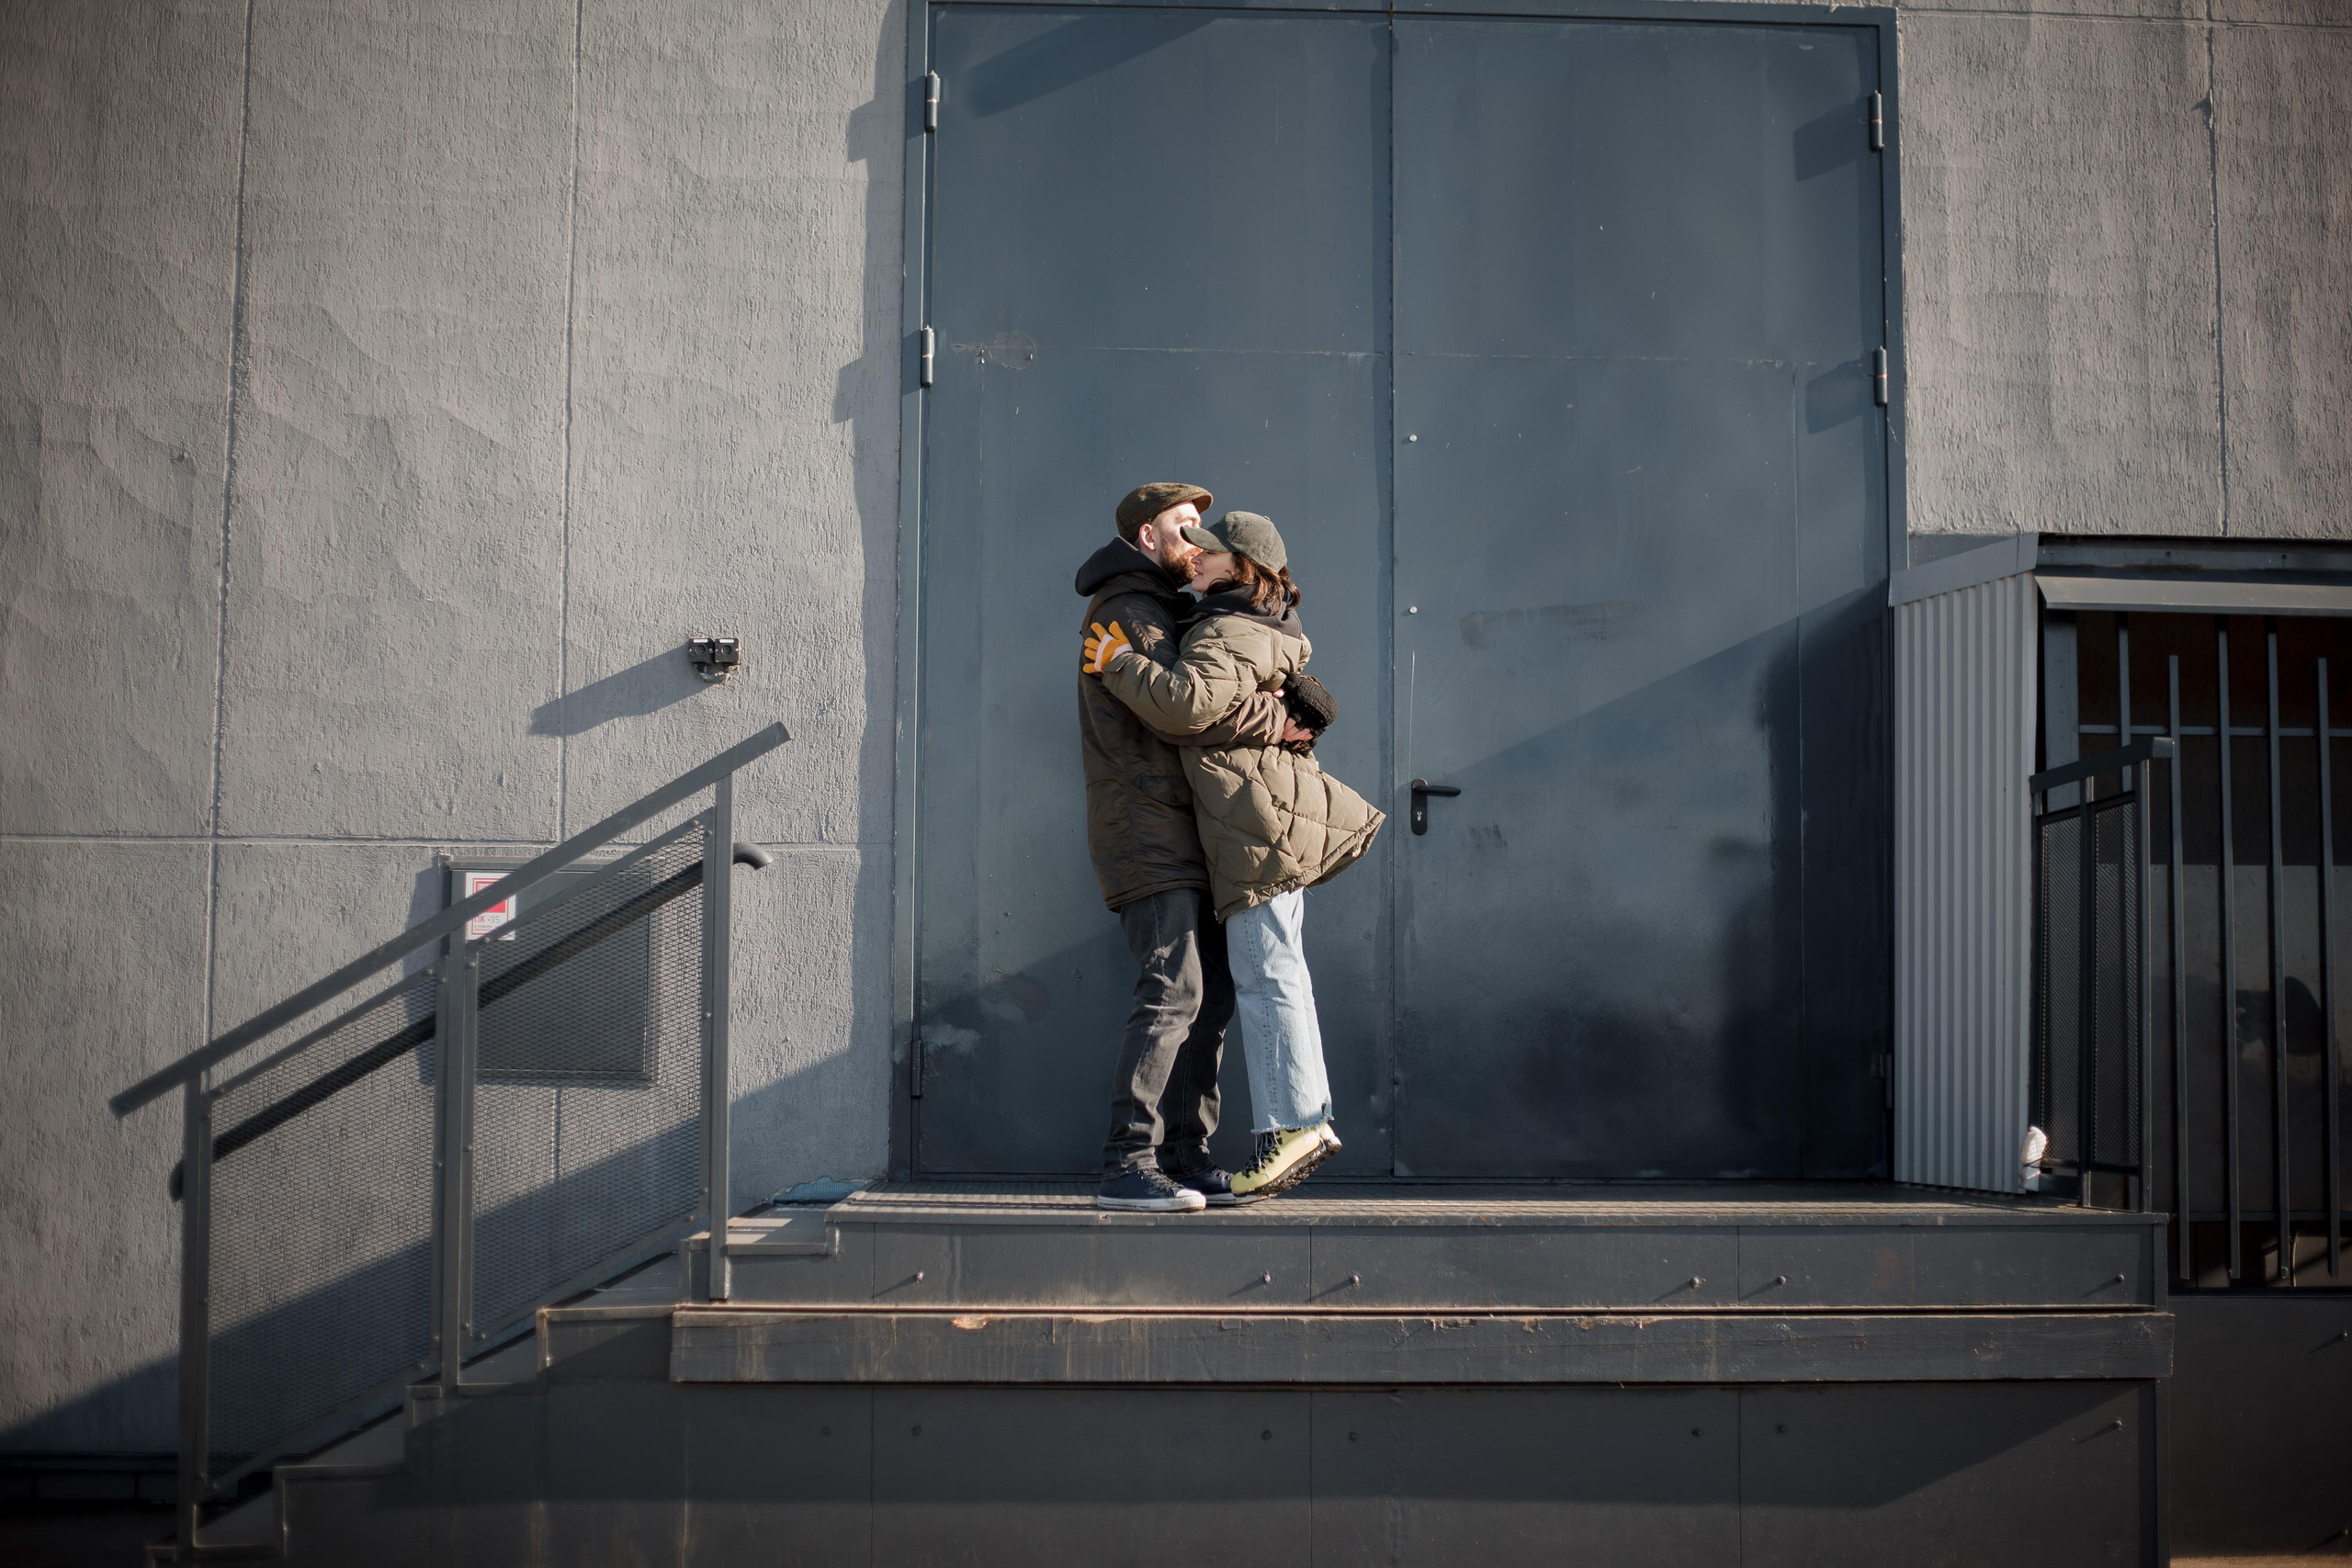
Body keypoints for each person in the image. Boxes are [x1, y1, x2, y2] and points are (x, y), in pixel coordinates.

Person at [1084, 511, 1384, 1200]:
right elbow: (1215, 711)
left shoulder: (1223, 625)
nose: (1196, 554)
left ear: (1242, 566)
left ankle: (1290, 1126)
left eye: (1209, 548)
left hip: (1249, 825)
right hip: (1236, 824)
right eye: (1187, 538)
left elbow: (1188, 708)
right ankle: (1247, 1134)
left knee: (1261, 975)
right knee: (1236, 981)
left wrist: (1123, 664)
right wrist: (1281, 717)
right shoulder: (1232, 616)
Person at [1074, 483, 1305, 1213]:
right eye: (1183, 526)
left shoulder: (1177, 608)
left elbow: (1217, 693)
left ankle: (1184, 1153)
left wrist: (1286, 704)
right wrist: (1274, 716)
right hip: (1146, 830)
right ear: (1148, 536)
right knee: (1173, 989)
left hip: (1188, 831)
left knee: (1212, 998)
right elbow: (1186, 712)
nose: (1197, 538)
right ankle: (1128, 1161)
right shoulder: (1126, 612)